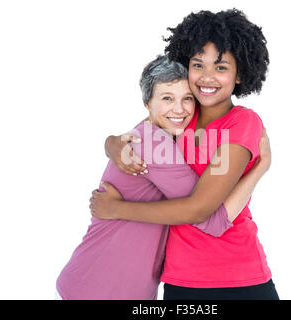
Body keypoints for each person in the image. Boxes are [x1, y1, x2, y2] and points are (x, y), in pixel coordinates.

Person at [91, 9, 279, 300]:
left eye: (221, 67)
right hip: (182, 278)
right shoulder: (180, 115)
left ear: (240, 73)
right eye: (197, 65)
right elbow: (135, 137)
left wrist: (117, 209)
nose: (207, 77)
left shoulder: (241, 123)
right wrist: (112, 143)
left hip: (240, 278)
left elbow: (200, 209)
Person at [56, 55, 270, 299]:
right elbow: (211, 219)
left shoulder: (162, 133)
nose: (178, 109)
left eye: (187, 98)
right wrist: (260, 168)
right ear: (148, 103)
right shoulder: (154, 141)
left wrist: (111, 144)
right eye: (167, 98)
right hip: (96, 288)